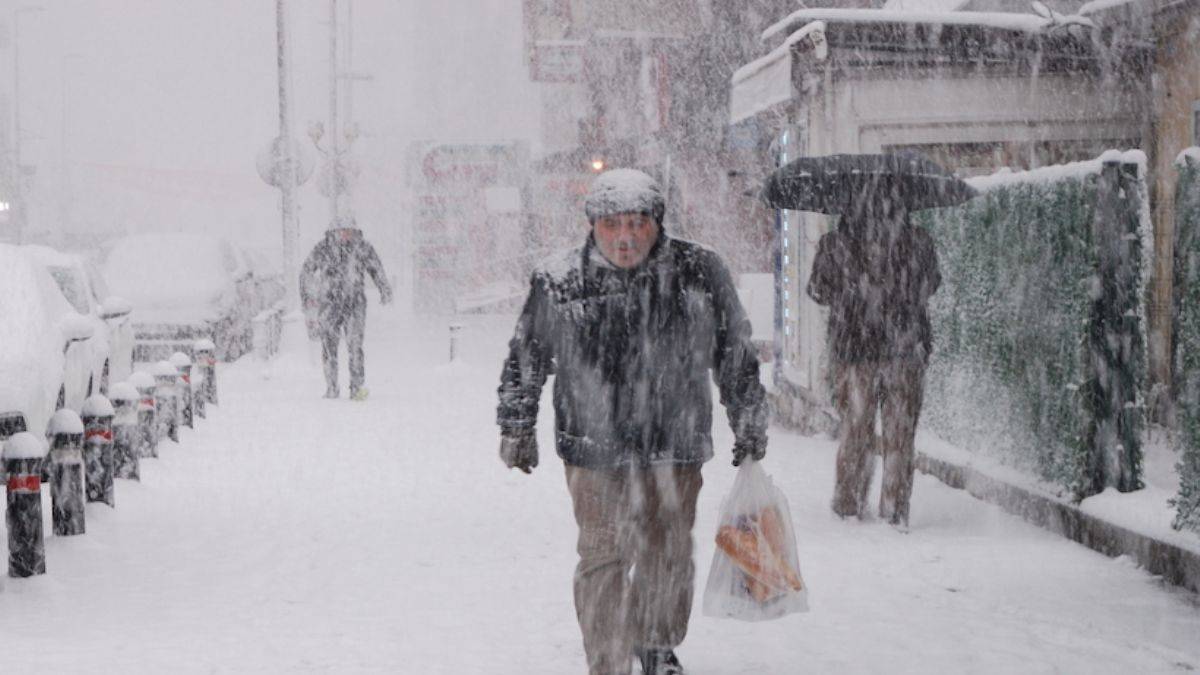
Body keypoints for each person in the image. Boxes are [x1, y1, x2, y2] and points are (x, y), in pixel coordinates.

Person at [496, 169, 767, 675]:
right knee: (603, 556)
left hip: (675, 441)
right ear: (592, 225)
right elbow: (527, 355)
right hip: (593, 444)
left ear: (657, 224)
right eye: (612, 224)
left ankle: (657, 644)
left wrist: (749, 415)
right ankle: (609, 659)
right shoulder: (558, 279)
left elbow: (734, 351)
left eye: (637, 224)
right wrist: (516, 422)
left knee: (667, 552)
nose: (625, 237)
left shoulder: (699, 270)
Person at [806, 201, 941, 527]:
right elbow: (931, 285)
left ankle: (849, 505)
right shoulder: (918, 241)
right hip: (905, 351)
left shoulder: (836, 243)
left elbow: (817, 291)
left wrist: (850, 293)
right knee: (900, 435)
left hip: (854, 351)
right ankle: (894, 510)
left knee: (856, 431)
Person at [300, 217, 392, 400]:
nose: (345, 235)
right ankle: (332, 387)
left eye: (349, 231)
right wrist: (309, 296)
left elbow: (376, 268)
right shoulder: (323, 248)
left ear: (355, 232)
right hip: (329, 304)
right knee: (328, 347)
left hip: (354, 303)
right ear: (333, 232)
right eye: (341, 231)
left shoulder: (362, 247)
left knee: (355, 346)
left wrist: (384, 288)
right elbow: (306, 271)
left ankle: (356, 388)